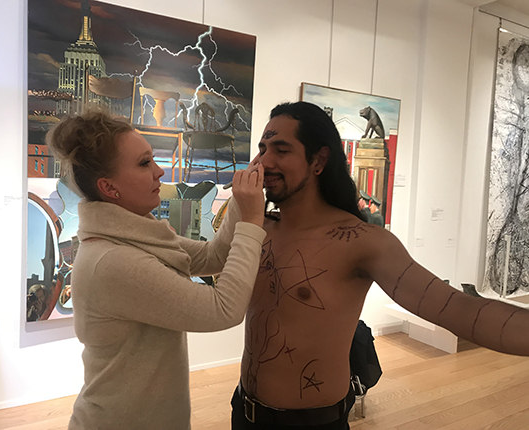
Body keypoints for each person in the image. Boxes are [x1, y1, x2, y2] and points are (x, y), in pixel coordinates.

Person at [230, 101, 529, 429]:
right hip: (243, 411)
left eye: (281, 150)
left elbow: (456, 308)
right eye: (263, 149)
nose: (264, 162)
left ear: (318, 161)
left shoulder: (362, 242)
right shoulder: (257, 230)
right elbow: (211, 275)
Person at [46, 108, 267, 430]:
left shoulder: (135, 237)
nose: (160, 171)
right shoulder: (113, 261)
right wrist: (252, 221)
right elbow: (223, 310)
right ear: (109, 188)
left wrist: (241, 197)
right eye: (144, 163)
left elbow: (213, 256)